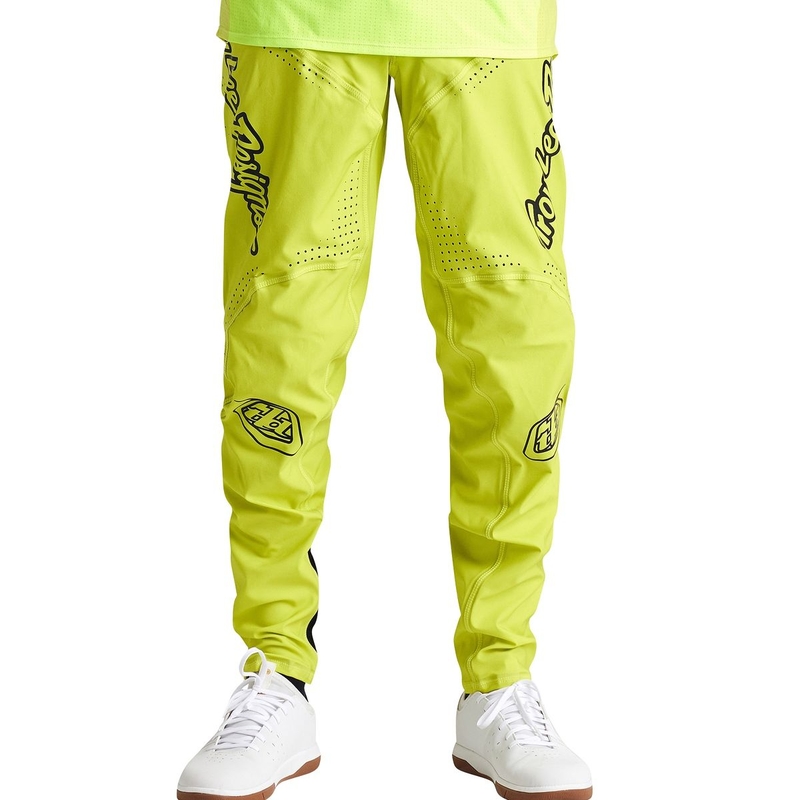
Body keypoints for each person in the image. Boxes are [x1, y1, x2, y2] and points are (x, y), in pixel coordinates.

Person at [177, 0, 593, 798]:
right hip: (296, 20)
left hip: (487, 24)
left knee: (517, 350)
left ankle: (500, 676)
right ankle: (275, 670)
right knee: (279, 345)